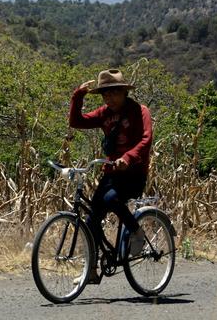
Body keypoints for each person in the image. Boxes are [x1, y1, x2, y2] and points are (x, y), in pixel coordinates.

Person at [68, 68, 153, 283]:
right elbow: (77, 122)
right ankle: (91, 271)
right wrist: (78, 96)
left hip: (134, 174)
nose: (109, 98)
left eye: (114, 92)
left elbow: (146, 139)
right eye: (105, 94)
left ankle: (136, 232)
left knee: (110, 199)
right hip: (111, 173)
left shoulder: (139, 111)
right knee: (91, 220)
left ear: (124, 92)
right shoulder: (104, 113)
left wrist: (128, 158)